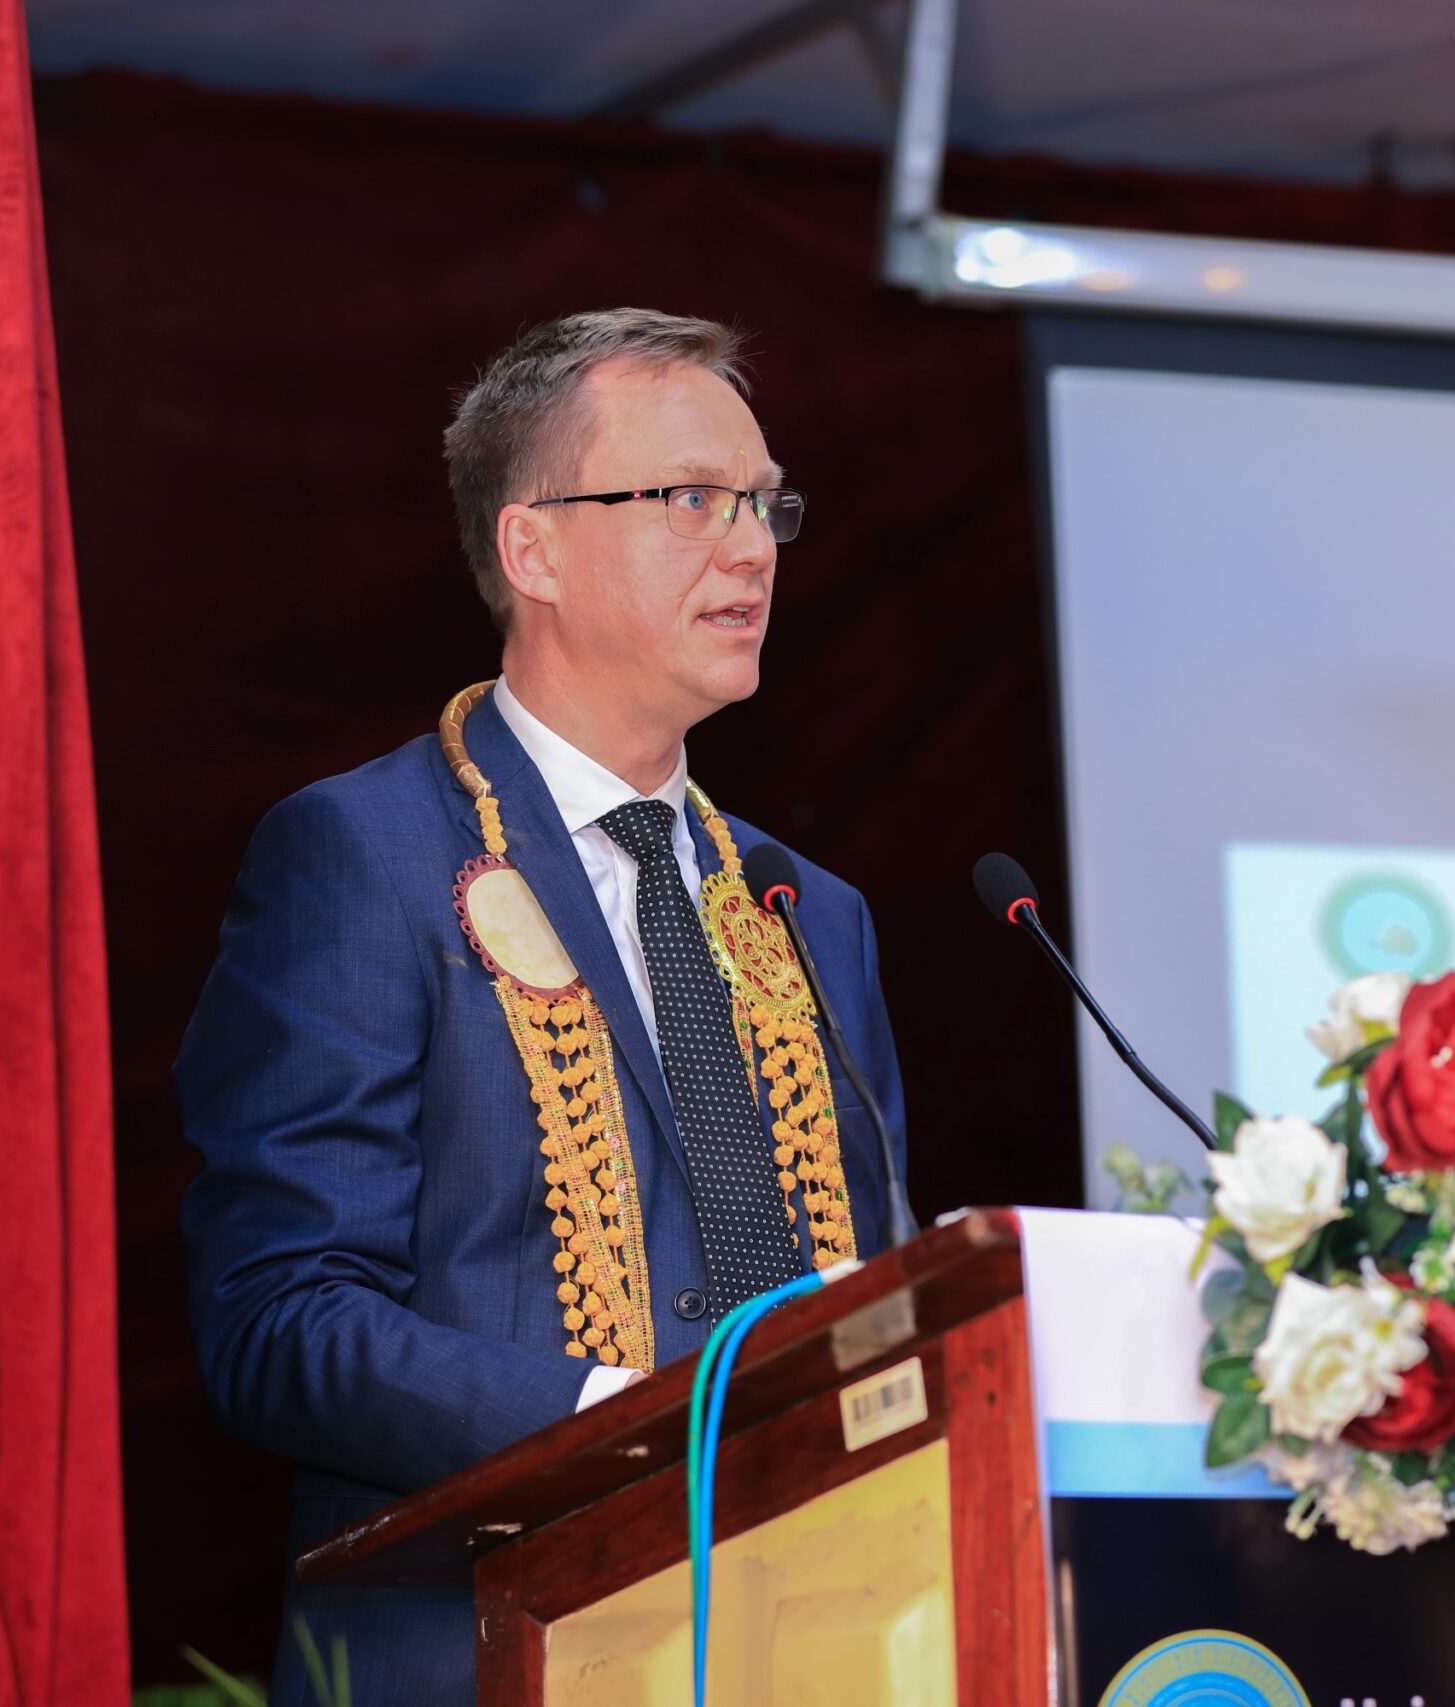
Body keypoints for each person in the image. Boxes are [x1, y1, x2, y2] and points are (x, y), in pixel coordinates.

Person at [174, 309, 910, 1706]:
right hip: (488, 1653)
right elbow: (280, 1322)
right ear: (534, 550)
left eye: (764, 504)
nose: (753, 547)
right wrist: (626, 1427)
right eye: (692, 499)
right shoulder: (366, 858)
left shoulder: (808, 911)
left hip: (821, 1650)